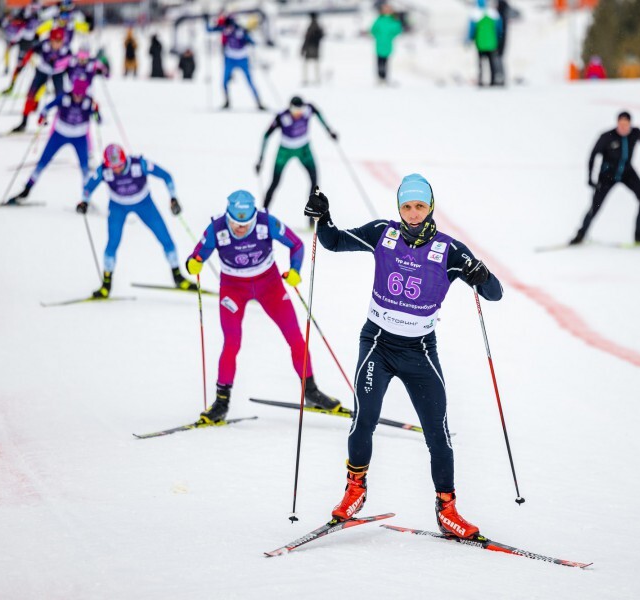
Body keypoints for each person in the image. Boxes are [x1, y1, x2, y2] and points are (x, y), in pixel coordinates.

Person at [304, 175, 503, 539]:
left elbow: (494, 294)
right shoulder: (384, 232)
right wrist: (324, 217)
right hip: (378, 343)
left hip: (419, 351)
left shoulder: (451, 250)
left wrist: (482, 273)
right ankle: (355, 490)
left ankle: (448, 510)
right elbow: (333, 242)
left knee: (437, 433)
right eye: (407, 206)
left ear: (431, 207)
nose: (413, 213)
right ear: (399, 208)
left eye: (420, 206)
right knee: (364, 417)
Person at [185, 190, 342, 424]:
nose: (240, 228)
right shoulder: (217, 228)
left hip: (269, 285)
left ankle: (311, 392)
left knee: (296, 338)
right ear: (227, 216)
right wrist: (193, 264)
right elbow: (197, 255)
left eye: (246, 224)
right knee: (232, 342)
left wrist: (295, 271)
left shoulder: (266, 221)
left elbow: (296, 244)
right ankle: (221, 402)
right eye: (236, 223)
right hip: (233, 288)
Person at [76, 144, 196, 298]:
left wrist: (173, 198)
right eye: (112, 167)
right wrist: (84, 201)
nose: (116, 170)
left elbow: (166, 176)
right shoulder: (104, 170)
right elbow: (88, 187)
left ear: (124, 159)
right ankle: (106, 284)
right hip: (118, 206)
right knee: (112, 243)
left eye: (119, 165)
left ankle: (178, 276)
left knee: (165, 237)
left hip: (144, 204)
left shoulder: (139, 164)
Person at [5, 77, 98, 206]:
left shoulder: (88, 102)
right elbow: (46, 107)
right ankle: (26, 190)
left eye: (80, 95)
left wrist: (97, 112)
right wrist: (42, 116)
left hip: (79, 137)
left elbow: (99, 120)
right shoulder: (64, 97)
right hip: (59, 134)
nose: (78, 97)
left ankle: (86, 198)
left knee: (84, 167)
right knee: (43, 162)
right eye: (76, 94)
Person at [571, 111, 640, 246]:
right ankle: (580, 234)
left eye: (626, 124)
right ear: (617, 123)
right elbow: (593, 155)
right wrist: (590, 177)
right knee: (596, 205)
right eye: (620, 124)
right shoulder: (607, 136)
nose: (623, 127)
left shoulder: (636, 133)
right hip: (607, 175)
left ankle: (639, 236)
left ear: (630, 124)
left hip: (627, 173)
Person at [256, 95, 337, 224]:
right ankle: (262, 216)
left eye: (300, 110)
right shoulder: (283, 117)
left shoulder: (308, 109)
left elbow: (318, 114)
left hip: (304, 149)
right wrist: (261, 159)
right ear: (290, 108)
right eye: (295, 111)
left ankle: (312, 218)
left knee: (314, 181)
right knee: (275, 182)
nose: (298, 114)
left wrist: (329, 131)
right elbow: (266, 136)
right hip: (285, 151)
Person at [10, 27, 71, 133]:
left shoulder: (66, 49)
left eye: (60, 41)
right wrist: (22, 65)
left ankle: (61, 123)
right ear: (50, 39)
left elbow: (71, 63)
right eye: (55, 41)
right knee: (31, 94)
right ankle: (23, 122)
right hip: (42, 71)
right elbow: (30, 52)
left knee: (60, 97)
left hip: (58, 73)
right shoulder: (44, 45)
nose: (57, 44)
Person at [205, 13, 264, 110]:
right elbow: (209, 30)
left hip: (242, 59)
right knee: (224, 82)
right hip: (230, 59)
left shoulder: (240, 30)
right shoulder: (224, 29)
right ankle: (227, 101)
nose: (227, 29)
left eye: (229, 26)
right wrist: (206, 20)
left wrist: (249, 41)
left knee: (250, 81)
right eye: (226, 26)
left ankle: (259, 103)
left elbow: (251, 41)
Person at [468, 0, 504, 87]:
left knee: (481, 63)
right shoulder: (493, 14)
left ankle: (481, 80)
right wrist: (499, 38)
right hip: (492, 43)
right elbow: (499, 28)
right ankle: (493, 80)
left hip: (480, 44)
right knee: (492, 63)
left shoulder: (475, 15)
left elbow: (472, 30)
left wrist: (471, 39)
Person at [370, 4, 402, 85]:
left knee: (386, 61)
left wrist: (391, 36)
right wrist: (377, 36)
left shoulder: (393, 20)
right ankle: (380, 77)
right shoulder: (379, 20)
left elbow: (398, 30)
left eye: (388, 9)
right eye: (385, 9)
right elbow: (373, 29)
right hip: (379, 43)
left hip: (388, 43)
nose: (386, 10)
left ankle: (384, 77)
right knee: (379, 61)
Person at [300, 12, 324, 85]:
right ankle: (316, 79)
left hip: (311, 47)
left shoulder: (313, 26)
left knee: (308, 64)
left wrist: (304, 47)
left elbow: (307, 38)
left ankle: (307, 79)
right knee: (315, 64)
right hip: (315, 47)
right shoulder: (317, 26)